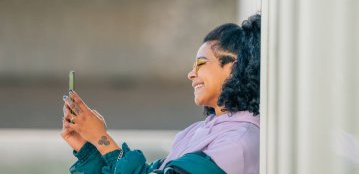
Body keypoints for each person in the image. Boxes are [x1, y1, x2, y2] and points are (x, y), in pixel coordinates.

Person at [61, 13, 261, 174]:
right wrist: (89, 149)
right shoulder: (197, 132)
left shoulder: (237, 142)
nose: (191, 74)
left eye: (200, 63)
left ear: (233, 68)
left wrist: (101, 138)